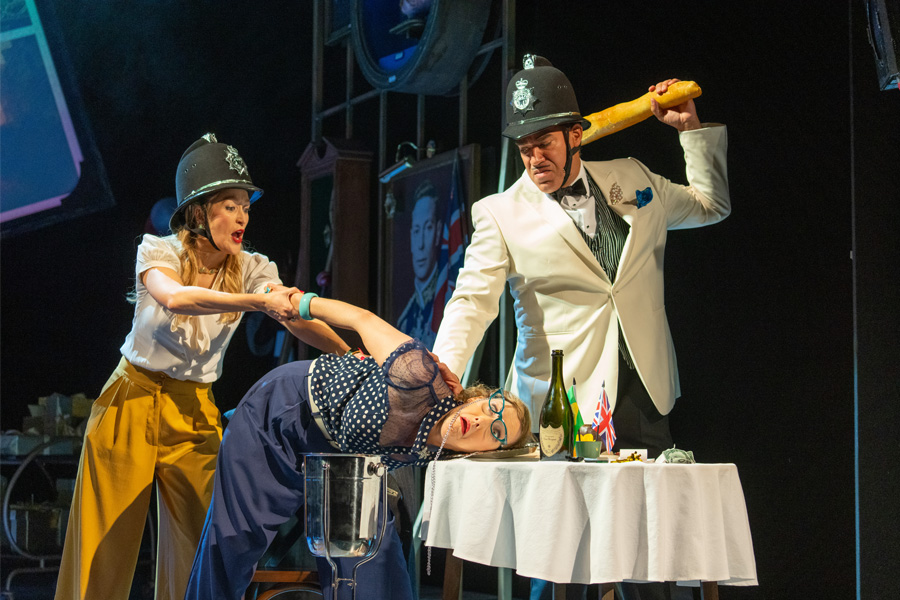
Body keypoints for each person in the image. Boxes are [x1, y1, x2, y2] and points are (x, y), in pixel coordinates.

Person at [431, 55, 730, 599]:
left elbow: (712, 205)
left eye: (544, 141)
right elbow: (471, 302)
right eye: (522, 145)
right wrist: (441, 374)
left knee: (648, 549)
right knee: (563, 557)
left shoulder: (633, 178)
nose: (533, 156)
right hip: (558, 406)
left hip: (643, 388)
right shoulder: (500, 212)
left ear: (576, 134)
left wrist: (692, 133)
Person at [54, 134, 349, 600]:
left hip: (194, 413)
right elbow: (177, 298)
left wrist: (348, 355)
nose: (242, 217)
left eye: (245, 207)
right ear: (198, 212)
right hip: (130, 400)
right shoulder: (159, 251)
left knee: (199, 549)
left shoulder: (252, 266)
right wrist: (255, 302)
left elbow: (293, 316)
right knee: (103, 545)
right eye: (229, 205)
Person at [184, 291, 531, 600]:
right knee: (234, 543)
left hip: (343, 460)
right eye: (491, 406)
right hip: (282, 414)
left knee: (378, 565)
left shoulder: (442, 454)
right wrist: (299, 303)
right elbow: (360, 319)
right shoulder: (421, 377)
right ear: (475, 398)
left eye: (497, 431)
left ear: (487, 452)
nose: (485, 420)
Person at [396, 178, 442, 348]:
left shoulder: (447, 302)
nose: (421, 244)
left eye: (428, 228)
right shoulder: (405, 320)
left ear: (437, 232)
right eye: (416, 231)